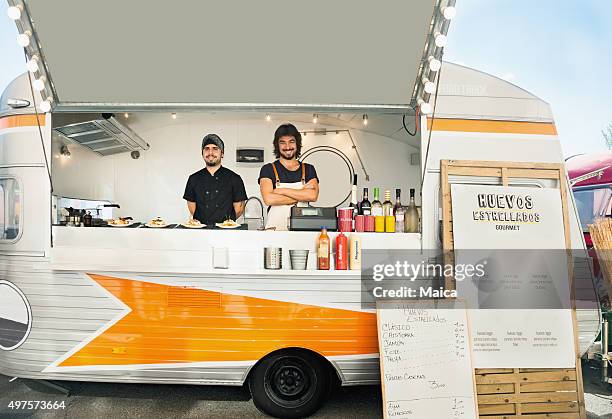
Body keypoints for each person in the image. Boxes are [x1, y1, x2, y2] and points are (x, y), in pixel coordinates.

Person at [259, 123, 319, 230]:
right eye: (283, 142)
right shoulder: (268, 169)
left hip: (303, 230)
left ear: (297, 144)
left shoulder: (309, 169)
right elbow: (268, 199)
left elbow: (312, 196)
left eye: (291, 142)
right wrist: (300, 196)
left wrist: (281, 190)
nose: (287, 147)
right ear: (277, 145)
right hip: (275, 230)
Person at [183, 134, 247, 225]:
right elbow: (192, 208)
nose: (210, 153)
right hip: (200, 231)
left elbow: (239, 209)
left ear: (222, 154)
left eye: (215, 149)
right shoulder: (193, 179)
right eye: (206, 149)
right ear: (202, 153)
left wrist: (225, 224)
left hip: (226, 232)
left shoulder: (234, 179)